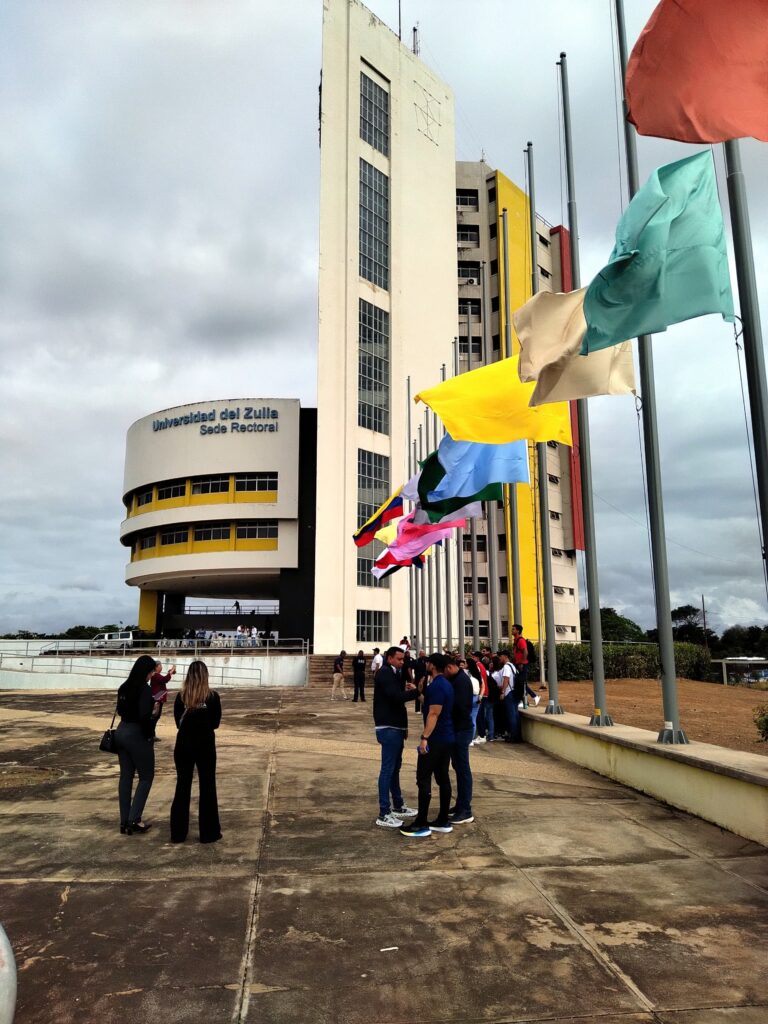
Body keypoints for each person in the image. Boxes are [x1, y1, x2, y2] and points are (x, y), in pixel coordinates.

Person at [400, 653, 454, 838]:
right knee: (442, 777)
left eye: (428, 662)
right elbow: (431, 705)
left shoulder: (438, 685)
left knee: (423, 777)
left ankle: (421, 823)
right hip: (446, 737)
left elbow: (433, 713)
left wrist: (425, 738)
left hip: (436, 739)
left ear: (433, 665)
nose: (425, 665)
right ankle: (442, 820)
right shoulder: (443, 684)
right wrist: (419, 692)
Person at [170, 660, 222, 844]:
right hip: (205, 744)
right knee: (207, 786)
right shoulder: (212, 697)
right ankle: (209, 833)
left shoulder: (181, 697)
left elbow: (178, 723)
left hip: (184, 744)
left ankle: (178, 833)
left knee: (182, 786)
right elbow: (215, 723)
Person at [373, 647, 418, 828]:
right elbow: (396, 698)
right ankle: (384, 813)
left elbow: (399, 704)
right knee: (388, 769)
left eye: (403, 659)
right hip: (388, 727)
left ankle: (398, 805)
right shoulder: (385, 673)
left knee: (395, 768)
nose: (402, 662)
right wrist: (417, 691)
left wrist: (404, 727)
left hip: (396, 727)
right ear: (389, 658)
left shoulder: (396, 673)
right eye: (399, 659)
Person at [114, 654, 159, 835]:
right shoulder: (144, 689)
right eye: (151, 672)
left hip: (121, 731)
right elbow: (144, 717)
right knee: (146, 776)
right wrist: (154, 715)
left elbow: (120, 710)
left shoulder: (124, 686)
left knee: (126, 777)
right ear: (146, 671)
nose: (152, 675)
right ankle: (134, 819)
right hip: (136, 734)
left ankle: (124, 820)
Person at [444, 658, 475, 824]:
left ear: (450, 667)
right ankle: (460, 805)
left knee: (463, 770)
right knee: (459, 768)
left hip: (461, 730)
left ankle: (465, 810)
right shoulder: (457, 679)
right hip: (459, 729)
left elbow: (460, 707)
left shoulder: (461, 681)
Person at [512, 624, 539, 707]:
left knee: (521, 683)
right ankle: (533, 697)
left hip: (522, 664)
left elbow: (525, 652)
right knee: (520, 682)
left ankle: (524, 700)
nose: (512, 630)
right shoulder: (516, 640)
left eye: (513, 629)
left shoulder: (521, 641)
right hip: (518, 664)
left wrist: (522, 663)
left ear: (518, 631)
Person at [498, 651, 521, 743]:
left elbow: (506, 680)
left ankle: (514, 737)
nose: (499, 658)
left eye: (500, 656)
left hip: (509, 693)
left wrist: (503, 692)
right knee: (515, 714)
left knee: (511, 715)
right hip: (514, 692)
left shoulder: (506, 667)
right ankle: (517, 735)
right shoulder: (512, 666)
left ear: (505, 656)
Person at [150, 659, 176, 739]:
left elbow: (164, 679)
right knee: (155, 716)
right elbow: (165, 679)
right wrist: (170, 672)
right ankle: (151, 734)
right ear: (156, 667)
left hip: (158, 697)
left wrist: (170, 673)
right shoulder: (155, 675)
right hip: (157, 698)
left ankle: (152, 734)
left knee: (155, 716)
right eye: (160, 665)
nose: (161, 667)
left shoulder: (156, 675)